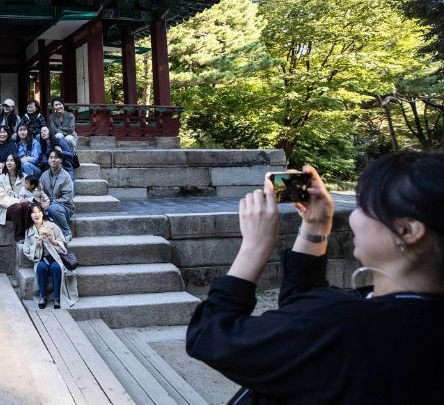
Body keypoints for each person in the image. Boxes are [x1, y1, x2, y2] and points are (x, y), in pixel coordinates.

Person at [186, 153, 444, 404]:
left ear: (407, 230)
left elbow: (210, 336)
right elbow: (304, 310)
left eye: (364, 205)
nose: (354, 216)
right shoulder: (402, 313)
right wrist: (316, 226)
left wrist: (254, 248)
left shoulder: (347, 324)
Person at [23, 202, 77, 309]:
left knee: (56, 268)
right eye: (33, 213)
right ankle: (43, 297)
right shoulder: (29, 231)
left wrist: (53, 241)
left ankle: (57, 298)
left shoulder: (52, 226)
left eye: (39, 212)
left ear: (43, 214)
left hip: (55, 258)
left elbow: (64, 244)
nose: (36, 214)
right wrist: (37, 245)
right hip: (41, 259)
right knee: (41, 268)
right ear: (30, 215)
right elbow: (26, 250)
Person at [0, 154, 32, 241]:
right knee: (18, 206)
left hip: (22, 206)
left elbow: (32, 192)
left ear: (17, 163)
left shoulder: (24, 177)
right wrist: (19, 200)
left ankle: (28, 233)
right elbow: (0, 199)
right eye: (7, 160)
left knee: (25, 205)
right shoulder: (1, 178)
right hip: (4, 209)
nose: (9, 163)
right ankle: (19, 235)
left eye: (12, 160)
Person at [39, 150, 75, 242]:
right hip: (48, 205)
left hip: (64, 207)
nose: (53, 160)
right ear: (48, 160)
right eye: (51, 158)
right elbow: (39, 191)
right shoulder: (44, 175)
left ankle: (67, 232)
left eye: (56, 158)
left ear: (61, 160)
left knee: (53, 208)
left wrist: (50, 204)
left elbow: (67, 198)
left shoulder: (66, 176)